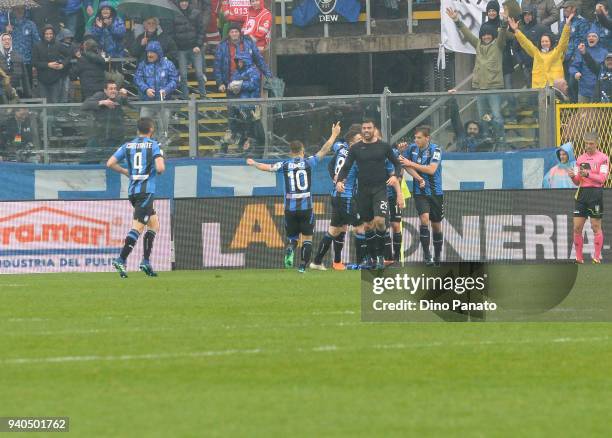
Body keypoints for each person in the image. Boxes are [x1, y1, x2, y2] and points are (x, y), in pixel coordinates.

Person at [246, 125, 339, 273]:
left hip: (290, 209)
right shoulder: (309, 162)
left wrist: (254, 163)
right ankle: (302, 266)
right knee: (307, 239)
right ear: (302, 150)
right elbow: (324, 150)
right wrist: (334, 135)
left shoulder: (284, 164)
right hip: (306, 208)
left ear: (290, 152)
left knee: (293, 238)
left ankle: (290, 247)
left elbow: (268, 167)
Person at [335, 120, 403, 270]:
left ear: (373, 129)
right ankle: (373, 258)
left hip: (380, 190)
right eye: (364, 128)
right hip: (363, 192)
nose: (366, 130)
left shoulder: (384, 147)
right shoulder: (355, 148)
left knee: (380, 221)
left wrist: (395, 176)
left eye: (369, 128)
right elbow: (346, 167)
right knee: (367, 226)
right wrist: (340, 181)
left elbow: (397, 164)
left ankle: (380, 256)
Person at [107, 117, 166, 278]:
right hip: (146, 192)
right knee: (138, 227)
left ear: (137, 130)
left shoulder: (127, 145)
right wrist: (159, 163)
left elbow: (110, 163)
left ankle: (146, 261)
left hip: (133, 191)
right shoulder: (154, 145)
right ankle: (121, 258)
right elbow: (160, 168)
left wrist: (126, 172)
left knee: (154, 225)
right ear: (151, 129)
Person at [446, 7, 508, 142]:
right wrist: (457, 20)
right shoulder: (478, 44)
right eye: (484, 35)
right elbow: (467, 34)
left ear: (492, 35)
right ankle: (485, 138)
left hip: (494, 88)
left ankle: (500, 138)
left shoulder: (498, 45)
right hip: (480, 87)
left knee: (496, 115)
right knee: (483, 116)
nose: (486, 36)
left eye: (488, 34)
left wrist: (504, 22)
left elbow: (502, 33)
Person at [310, 124, 362, 271]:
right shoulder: (355, 154)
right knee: (361, 227)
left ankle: (317, 261)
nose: (361, 141)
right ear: (351, 141)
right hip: (345, 196)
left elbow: (331, 164)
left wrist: (334, 177)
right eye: (359, 139)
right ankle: (361, 264)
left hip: (337, 195)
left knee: (336, 230)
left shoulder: (340, 148)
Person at [399, 126, 444, 266]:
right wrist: (418, 178)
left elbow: (431, 169)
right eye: (415, 137)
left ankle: (437, 256)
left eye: (419, 137)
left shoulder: (436, 150)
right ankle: (427, 255)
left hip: (436, 192)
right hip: (420, 192)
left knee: (436, 226)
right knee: (424, 219)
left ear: (427, 138)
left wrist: (410, 163)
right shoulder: (412, 149)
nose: (416, 140)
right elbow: (402, 162)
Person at [568, 131, 609, 263]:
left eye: (591, 143)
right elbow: (577, 181)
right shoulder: (580, 159)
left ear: (597, 143)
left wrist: (588, 174)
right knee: (577, 227)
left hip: (595, 194)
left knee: (595, 226)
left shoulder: (603, 158)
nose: (588, 146)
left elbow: (602, 179)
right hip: (582, 194)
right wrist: (572, 176)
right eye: (586, 143)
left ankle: (596, 257)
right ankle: (579, 258)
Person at [508, 13, 572, 87]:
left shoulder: (557, 52)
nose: (544, 43)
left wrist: (567, 26)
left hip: (555, 88)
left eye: (546, 41)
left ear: (551, 42)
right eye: (542, 41)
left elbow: (563, 41)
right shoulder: (536, 53)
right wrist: (516, 30)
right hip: (539, 88)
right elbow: (525, 43)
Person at [214, 22, 271, 94]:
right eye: (232, 32)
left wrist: (268, 76)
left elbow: (259, 60)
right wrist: (220, 83)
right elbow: (217, 66)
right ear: (229, 33)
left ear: (240, 33)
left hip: (247, 81)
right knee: (232, 104)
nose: (234, 34)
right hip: (230, 83)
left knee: (248, 104)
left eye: (236, 31)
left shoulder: (249, 43)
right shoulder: (222, 46)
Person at [134, 41, 179, 132]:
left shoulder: (168, 64)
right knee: (143, 128)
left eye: (152, 52)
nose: (149, 55)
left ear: (158, 53)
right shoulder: (143, 65)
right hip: (147, 103)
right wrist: (146, 89)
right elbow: (137, 79)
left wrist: (166, 90)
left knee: (163, 129)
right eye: (148, 52)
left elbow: (175, 80)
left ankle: (162, 145)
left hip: (164, 103)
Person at [81, 79, 129, 162]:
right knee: (88, 161)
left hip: (115, 137)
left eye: (115, 88)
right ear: (105, 90)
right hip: (99, 136)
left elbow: (129, 104)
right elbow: (85, 105)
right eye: (111, 89)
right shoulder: (99, 95)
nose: (113, 91)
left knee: (115, 162)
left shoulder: (119, 97)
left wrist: (125, 96)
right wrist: (102, 102)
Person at [227, 52, 264, 154]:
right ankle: (241, 147)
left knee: (250, 129)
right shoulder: (237, 72)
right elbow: (232, 82)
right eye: (237, 61)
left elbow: (253, 84)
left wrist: (241, 84)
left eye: (240, 61)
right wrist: (233, 85)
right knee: (239, 128)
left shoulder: (253, 71)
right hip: (238, 105)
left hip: (249, 105)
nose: (238, 63)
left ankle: (251, 150)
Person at [174, 0, 207, 99]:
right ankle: (185, 96)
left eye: (185, 1)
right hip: (181, 49)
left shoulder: (196, 13)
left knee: (199, 74)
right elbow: (172, 32)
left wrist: (198, 45)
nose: (184, 3)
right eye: (181, 2)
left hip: (195, 48)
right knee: (183, 75)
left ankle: (203, 95)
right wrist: (175, 47)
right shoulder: (174, 14)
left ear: (188, 2)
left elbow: (201, 30)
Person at [2, 6, 40, 87]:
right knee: (14, 87)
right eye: (17, 9)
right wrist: (6, 32)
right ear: (13, 10)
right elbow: (2, 43)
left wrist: (35, 59)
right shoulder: (8, 25)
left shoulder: (31, 24)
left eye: (22, 9)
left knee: (28, 88)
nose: (20, 11)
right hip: (13, 62)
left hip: (27, 61)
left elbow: (37, 42)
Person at [32, 24, 70, 103]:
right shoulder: (37, 46)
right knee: (44, 103)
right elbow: (35, 62)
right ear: (43, 34)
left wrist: (62, 64)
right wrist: (48, 65)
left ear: (53, 34)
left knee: (55, 102)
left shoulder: (58, 44)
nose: (49, 36)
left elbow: (69, 55)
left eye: (50, 34)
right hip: (42, 79)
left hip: (55, 78)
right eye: (47, 34)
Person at [513, 5, 548, 88]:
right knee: (530, 92)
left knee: (543, 90)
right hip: (527, 67)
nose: (527, 17)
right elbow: (515, 49)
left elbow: (551, 43)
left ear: (533, 15)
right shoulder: (520, 30)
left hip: (541, 66)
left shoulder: (542, 28)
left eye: (529, 14)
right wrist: (521, 63)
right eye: (525, 15)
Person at [572, 36, 609, 102]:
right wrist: (575, 72)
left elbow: (601, 68)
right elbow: (574, 66)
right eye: (589, 36)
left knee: (598, 112)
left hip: (599, 90)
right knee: (584, 112)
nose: (591, 38)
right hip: (584, 89)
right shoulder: (581, 50)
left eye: (594, 36)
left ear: (598, 39)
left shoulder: (604, 52)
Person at [0, 33, 30, 97]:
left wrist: (28, 93)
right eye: (4, 40)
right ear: (1, 42)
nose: (7, 41)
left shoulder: (18, 56)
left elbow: (24, 76)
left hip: (16, 90)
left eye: (8, 39)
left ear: (11, 41)